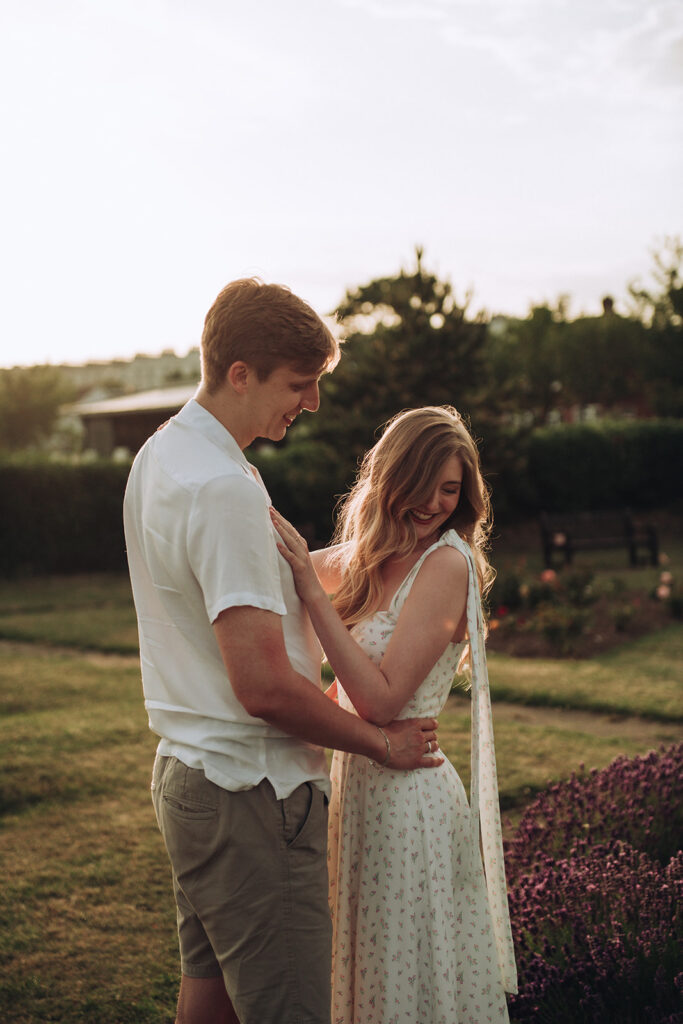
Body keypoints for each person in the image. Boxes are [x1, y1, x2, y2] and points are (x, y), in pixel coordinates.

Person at [123, 278, 441, 1024]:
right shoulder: (222, 488)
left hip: (193, 779)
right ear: (241, 374)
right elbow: (262, 685)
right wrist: (378, 744)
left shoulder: (165, 456)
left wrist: (381, 547)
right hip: (251, 796)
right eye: (300, 384)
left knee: (212, 1004)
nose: (312, 402)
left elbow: (273, 573)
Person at [271, 405, 518, 1024]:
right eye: (424, 483)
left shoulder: (447, 564)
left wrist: (313, 596)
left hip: (411, 804)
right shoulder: (374, 553)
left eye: (451, 489)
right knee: (365, 971)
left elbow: (382, 700)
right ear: (391, 476)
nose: (434, 502)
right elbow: (279, 566)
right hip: (357, 789)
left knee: (404, 978)